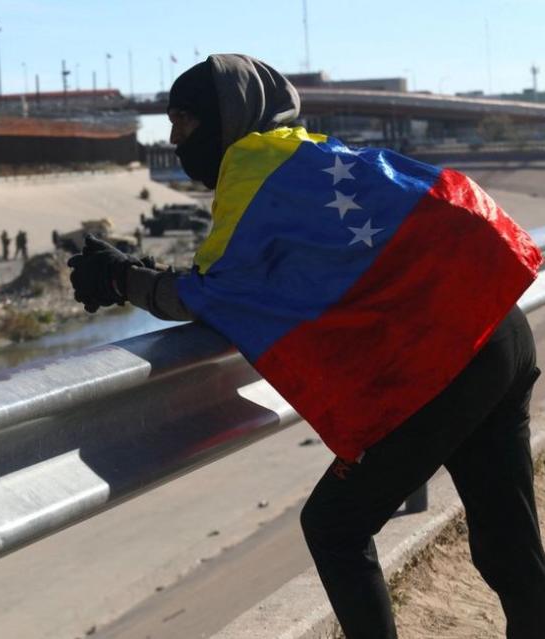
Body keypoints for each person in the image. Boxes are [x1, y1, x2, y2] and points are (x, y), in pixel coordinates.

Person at [68, 54, 545, 638]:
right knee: (509, 549)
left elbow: (210, 294)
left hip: (448, 357)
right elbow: (263, 276)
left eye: (184, 121)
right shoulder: (307, 151)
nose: (172, 138)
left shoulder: (250, 166)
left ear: (225, 118)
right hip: (498, 327)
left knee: (334, 526)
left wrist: (122, 278)